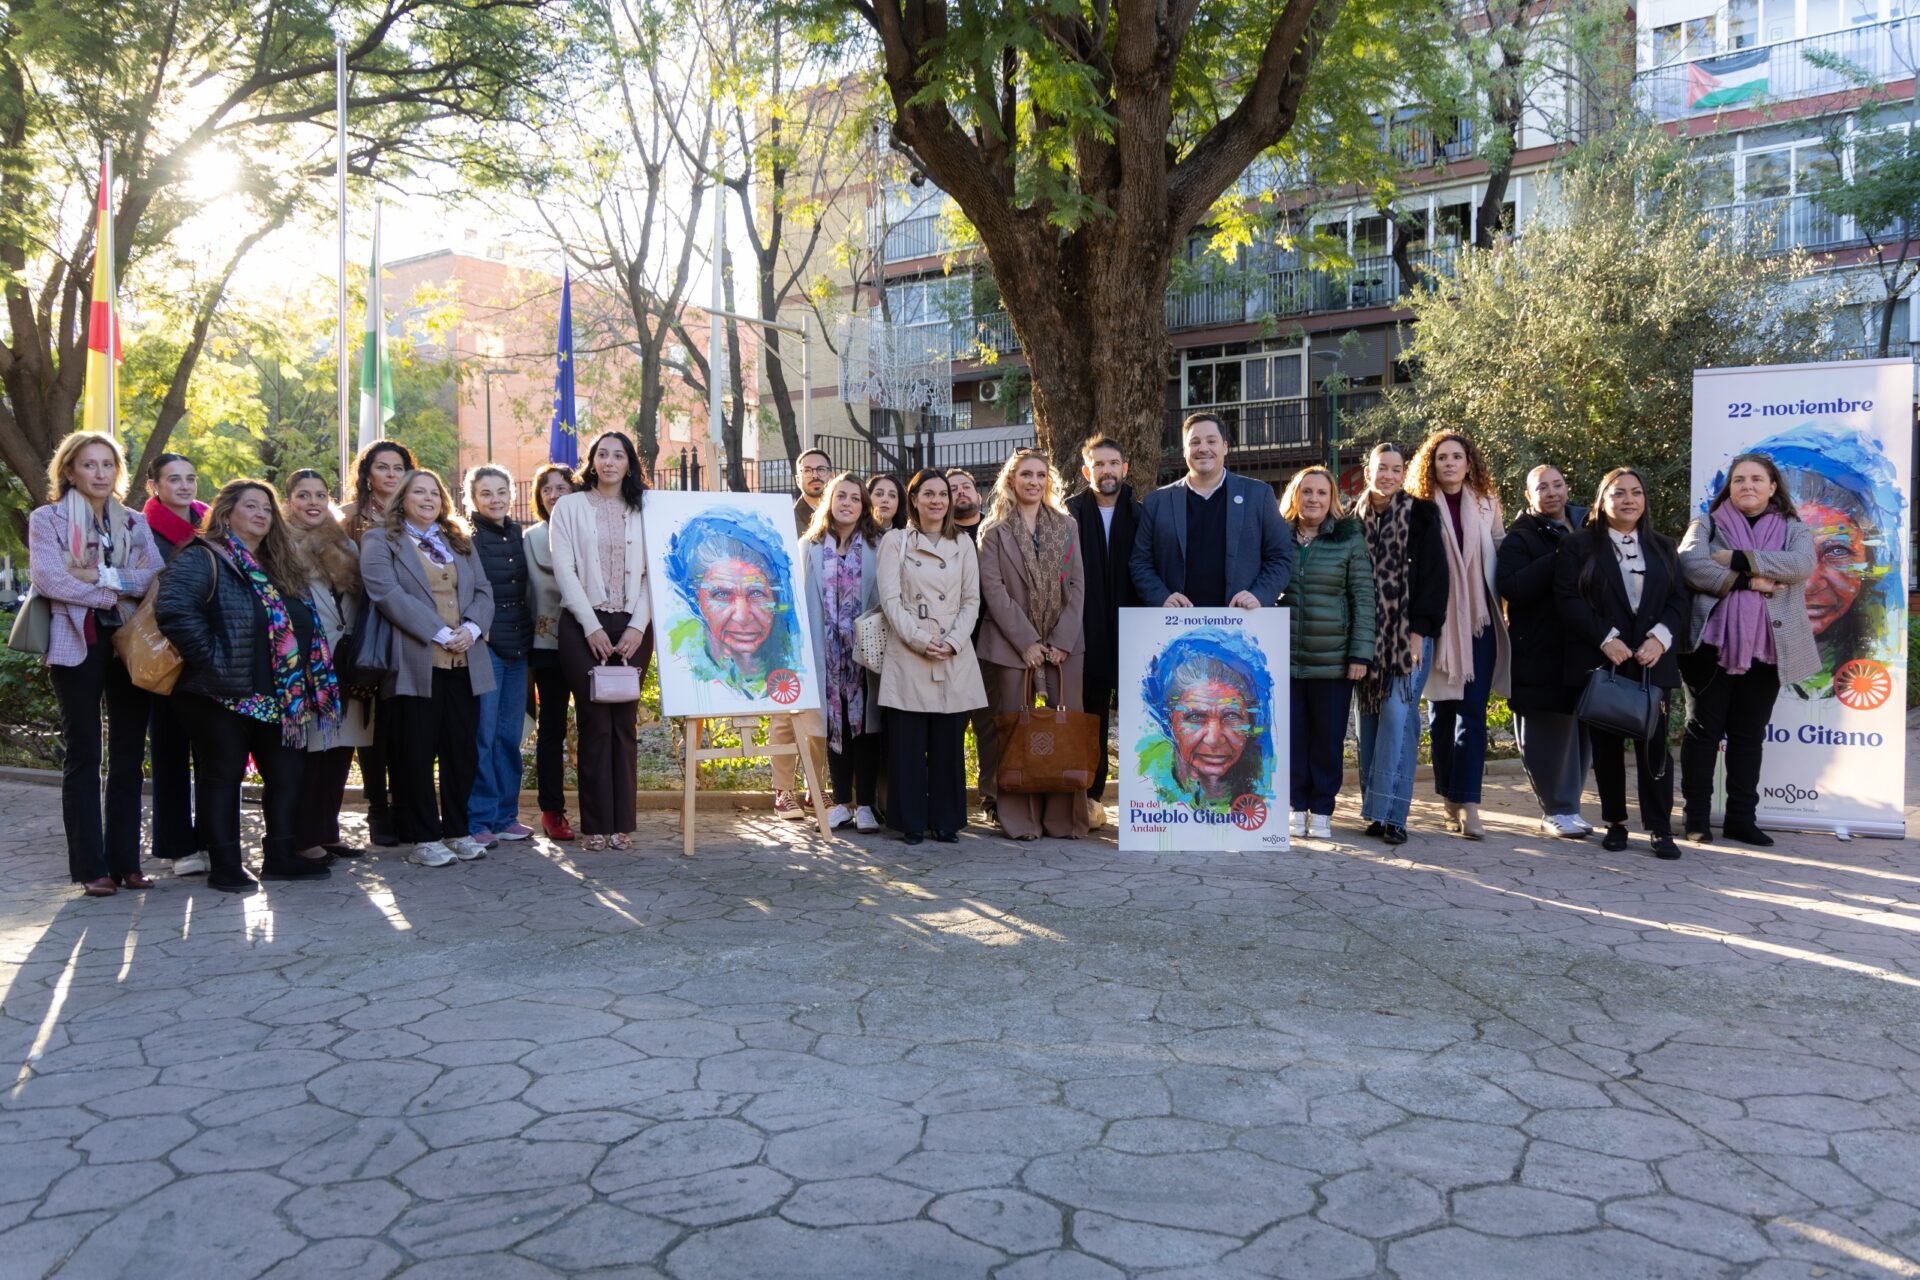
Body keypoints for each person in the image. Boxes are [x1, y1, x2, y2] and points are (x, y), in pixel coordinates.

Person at [155, 479, 341, 891]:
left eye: (267, 509)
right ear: (226, 513)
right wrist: (214, 661)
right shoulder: (203, 557)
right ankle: (225, 865)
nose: (261, 514)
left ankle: (280, 856)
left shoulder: (279, 563)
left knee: (286, 774)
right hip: (219, 693)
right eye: (251, 506)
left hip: (278, 695)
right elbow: (173, 611)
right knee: (224, 774)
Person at [29, 432, 162, 896]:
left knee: (128, 755)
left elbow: (153, 574)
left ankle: (127, 861)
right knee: (85, 753)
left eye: (108, 464)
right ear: (69, 471)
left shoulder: (133, 522)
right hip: (76, 642)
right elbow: (49, 578)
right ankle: (91, 867)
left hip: (130, 643)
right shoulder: (48, 519)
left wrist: (94, 575)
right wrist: (112, 589)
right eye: (90, 465)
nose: (100, 473)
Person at [359, 469, 497, 868]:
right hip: (414, 661)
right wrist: (438, 632)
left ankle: (457, 830)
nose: (428, 499)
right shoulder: (380, 539)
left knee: (461, 752)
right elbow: (385, 592)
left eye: (434, 493)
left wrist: (471, 629)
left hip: (464, 660)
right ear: (401, 498)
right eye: (418, 492)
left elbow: (484, 592)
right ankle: (423, 837)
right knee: (414, 753)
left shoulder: (458, 540)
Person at [1678, 453, 1817, 847]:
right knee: (1702, 733)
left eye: (1757, 479)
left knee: (1748, 735)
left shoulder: (1793, 527)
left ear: (1773, 487)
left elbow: (1801, 565)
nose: (1747, 486)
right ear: (1730, 487)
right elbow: (1690, 566)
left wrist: (1738, 559)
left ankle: (1742, 818)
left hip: (1769, 648)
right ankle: (1697, 818)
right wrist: (1750, 582)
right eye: (1739, 480)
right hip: (1710, 645)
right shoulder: (1706, 522)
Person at [1554, 467, 1687, 860]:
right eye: (1619, 493)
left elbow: (1680, 600)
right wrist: (1605, 639)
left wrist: (1659, 639)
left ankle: (1661, 829)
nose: (1629, 500)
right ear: (1603, 500)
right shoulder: (1579, 545)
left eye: (1636, 492)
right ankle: (1615, 823)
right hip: (1604, 661)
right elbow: (1567, 599)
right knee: (1607, 746)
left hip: (1651, 661)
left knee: (1655, 748)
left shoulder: (1663, 547)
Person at [977, 449, 1090, 841]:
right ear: (1011, 480)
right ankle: (1020, 821)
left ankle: (1062, 821)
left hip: (1064, 646)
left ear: (1049, 481)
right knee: (1015, 731)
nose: (1033, 482)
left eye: (1041, 475)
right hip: (1009, 645)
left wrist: (1060, 640)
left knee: (1065, 727)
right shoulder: (994, 532)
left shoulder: (1066, 526)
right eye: (1026, 474)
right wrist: (1026, 641)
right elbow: (993, 590)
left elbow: (1077, 586)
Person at [548, 431, 652, 852]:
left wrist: (637, 627)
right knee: (594, 723)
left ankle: (621, 826)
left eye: (619, 455)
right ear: (592, 461)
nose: (610, 462)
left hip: (633, 627)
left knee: (623, 725)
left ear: (630, 463)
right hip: (581, 625)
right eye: (602, 454)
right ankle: (595, 826)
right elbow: (565, 570)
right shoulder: (569, 507)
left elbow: (653, 574)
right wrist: (591, 626)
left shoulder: (646, 509)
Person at [1406, 429, 1510, 839]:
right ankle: (1448, 796)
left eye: (1456, 456)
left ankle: (1468, 803)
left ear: (1470, 462)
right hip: (1435, 623)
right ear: (1430, 465)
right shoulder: (1417, 508)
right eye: (1441, 458)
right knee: (1442, 714)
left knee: (1472, 711)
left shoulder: (1487, 505)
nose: (1448, 463)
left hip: (1479, 622)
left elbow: (1501, 552)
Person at [878, 470, 988, 845]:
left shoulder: (964, 544)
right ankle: (909, 821)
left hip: (953, 651)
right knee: (907, 742)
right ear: (914, 499)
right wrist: (922, 640)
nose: (938, 500)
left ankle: (946, 820)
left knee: (947, 741)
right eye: (929, 494)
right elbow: (890, 601)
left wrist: (954, 641)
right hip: (910, 648)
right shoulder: (896, 542)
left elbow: (972, 599)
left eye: (943, 494)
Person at [1354, 442, 1448, 847]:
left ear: (1404, 472)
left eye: (1396, 469)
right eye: (1381, 468)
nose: (1388, 475)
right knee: (1369, 724)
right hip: (1364, 640)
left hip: (1410, 638)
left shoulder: (1423, 515)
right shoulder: (1349, 519)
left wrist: (1417, 634)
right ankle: (1375, 813)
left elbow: (1434, 580)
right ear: (1367, 471)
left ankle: (1394, 815)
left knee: (1398, 718)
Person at [1496, 464, 1594, 839]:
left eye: (1557, 485)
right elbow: (1513, 586)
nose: (1551, 492)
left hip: (1583, 648)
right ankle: (1555, 809)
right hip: (1538, 650)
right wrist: (1561, 555)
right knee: (1544, 732)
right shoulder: (1520, 537)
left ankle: (1571, 806)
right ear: (1529, 496)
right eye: (1542, 487)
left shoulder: (1590, 525)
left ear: (1567, 487)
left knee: (1580, 729)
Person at [284, 470, 376, 863]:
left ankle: (327, 829)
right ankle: (303, 836)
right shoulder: (280, 545)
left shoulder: (345, 544)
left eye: (320, 495)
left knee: (341, 748)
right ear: (289, 501)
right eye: (303, 495)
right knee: (314, 750)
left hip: (347, 657)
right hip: (309, 661)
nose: (313, 503)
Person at [1278, 465, 1375, 840]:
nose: (1313, 499)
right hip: (1284, 659)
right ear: (1295, 496)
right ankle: (1293, 804)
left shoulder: (1348, 540)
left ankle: (1321, 809)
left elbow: (1363, 599)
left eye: (1321, 493)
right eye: (1307, 492)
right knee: (1291, 737)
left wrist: (1359, 655)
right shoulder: (1278, 537)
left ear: (1332, 499)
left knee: (1328, 740)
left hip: (1333, 661)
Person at [1131, 412, 1294, 611]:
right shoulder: (1157, 502)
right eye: (1195, 442)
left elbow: (1280, 557)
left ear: (1224, 447)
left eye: (1211, 441)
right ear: (1184, 450)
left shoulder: (1258, 496)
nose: (1203, 448)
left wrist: (1259, 594)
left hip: (1239, 624)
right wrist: (1161, 597)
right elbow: (1140, 563)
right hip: (1176, 628)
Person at [340, 439, 417, 848]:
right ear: (367, 472)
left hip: (409, 630)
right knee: (371, 724)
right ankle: (377, 809)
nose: (390, 474)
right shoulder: (348, 519)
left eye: (398, 467)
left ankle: (407, 804)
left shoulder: (419, 513)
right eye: (382, 467)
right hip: (364, 629)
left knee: (404, 722)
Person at [801, 473, 884, 833]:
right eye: (841, 497)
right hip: (827, 653)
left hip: (865, 652)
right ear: (829, 503)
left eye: (854, 497)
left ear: (864, 505)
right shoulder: (810, 547)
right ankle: (839, 803)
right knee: (834, 725)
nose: (847, 503)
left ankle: (864, 804)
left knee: (865, 726)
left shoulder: (878, 545)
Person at [1065, 436, 1139, 827]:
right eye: (1099, 464)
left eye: (1114, 463)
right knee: (1090, 721)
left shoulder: (1143, 514)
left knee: (1140, 720)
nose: (1107, 471)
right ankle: (1091, 800)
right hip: (1086, 634)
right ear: (1086, 471)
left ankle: (1144, 801)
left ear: (1125, 469)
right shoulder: (1070, 514)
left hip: (1134, 633)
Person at [140, 452, 208, 874]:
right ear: (155, 486)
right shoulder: (141, 528)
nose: (184, 486)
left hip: (208, 650)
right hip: (163, 648)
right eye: (174, 479)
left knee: (214, 750)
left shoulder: (212, 523)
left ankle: (212, 838)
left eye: (190, 478)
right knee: (167, 748)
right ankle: (176, 845)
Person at [464, 466, 535, 847]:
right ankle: (479, 820)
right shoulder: (466, 538)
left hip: (519, 646)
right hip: (486, 647)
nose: (496, 499)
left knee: (509, 736)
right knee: (484, 736)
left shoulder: (517, 533)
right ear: (472, 499)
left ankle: (506, 816)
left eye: (501, 491)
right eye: (486, 493)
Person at [1138, 628, 1278, 812]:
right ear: (1168, 723)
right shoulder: (1149, 786)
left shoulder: (1265, 790)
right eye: (1195, 717)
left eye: (1231, 716)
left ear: (1252, 723)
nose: (1213, 739)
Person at [769, 448, 836, 820]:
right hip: (789, 627)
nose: (814, 475)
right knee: (785, 711)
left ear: (831, 474)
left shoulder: (841, 517)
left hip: (829, 629)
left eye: (821, 469)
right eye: (807, 469)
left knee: (822, 714)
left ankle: (817, 787)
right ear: (798, 477)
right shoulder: (784, 518)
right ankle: (783, 790)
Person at [524, 462, 580, 841]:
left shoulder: (590, 532)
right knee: (552, 730)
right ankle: (552, 810)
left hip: (592, 641)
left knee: (596, 727)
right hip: (546, 645)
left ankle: (598, 808)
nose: (554, 494)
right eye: (547, 489)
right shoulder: (527, 539)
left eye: (562, 488)